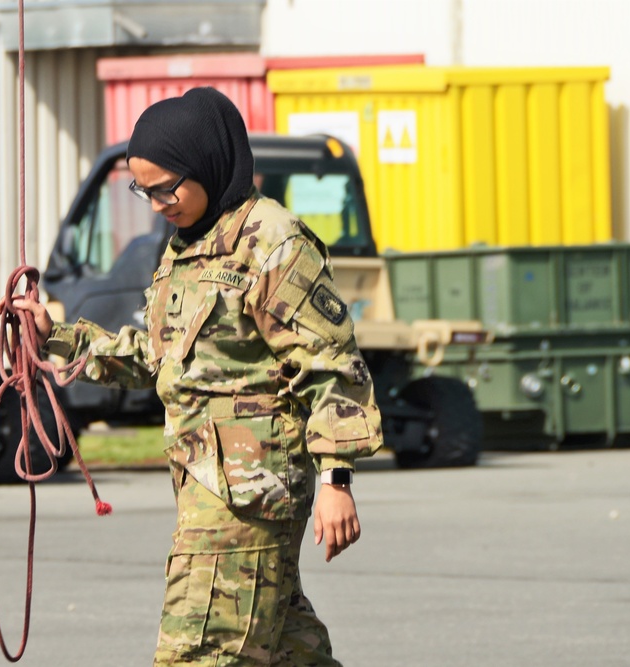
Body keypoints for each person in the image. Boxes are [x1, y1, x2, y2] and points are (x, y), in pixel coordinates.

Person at [22, 87, 383, 666]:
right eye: (145, 190)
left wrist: (338, 480)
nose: (158, 202)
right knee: (290, 651)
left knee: (200, 654)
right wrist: (56, 337)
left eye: (169, 186)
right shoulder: (188, 246)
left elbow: (332, 364)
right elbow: (161, 356)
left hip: (247, 497)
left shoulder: (272, 243)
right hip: (207, 485)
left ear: (209, 163)